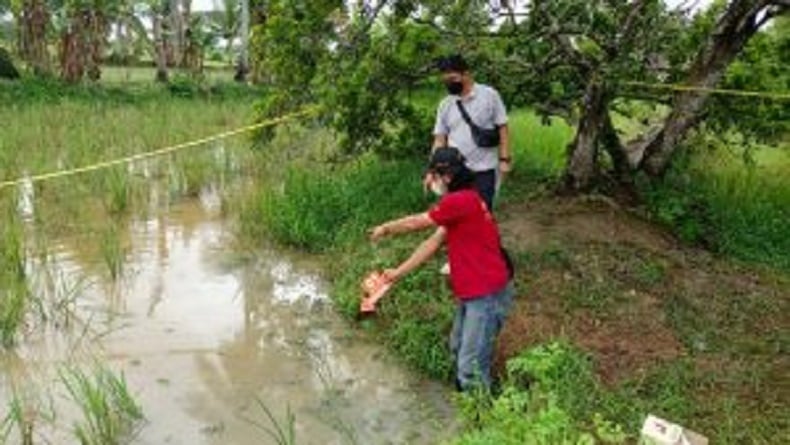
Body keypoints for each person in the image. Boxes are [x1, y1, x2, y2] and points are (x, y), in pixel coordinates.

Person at [369, 147, 514, 391]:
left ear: (446, 176)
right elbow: (432, 243)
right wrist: (398, 273)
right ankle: (467, 405)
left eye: (432, 176)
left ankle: (482, 419)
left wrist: (385, 228)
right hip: (475, 291)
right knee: (458, 347)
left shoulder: (460, 200)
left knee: (470, 367)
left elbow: (417, 222)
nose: (430, 181)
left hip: (486, 292)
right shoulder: (466, 200)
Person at [430, 54, 511, 212]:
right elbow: (440, 139)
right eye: (446, 80)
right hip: (456, 171)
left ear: (466, 74)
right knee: (458, 214)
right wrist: (433, 169)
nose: (449, 83)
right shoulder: (445, 104)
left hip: (485, 169)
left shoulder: (489, 95)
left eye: (453, 78)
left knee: (483, 213)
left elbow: (503, 128)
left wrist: (505, 159)